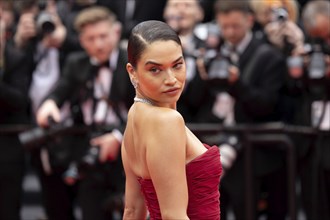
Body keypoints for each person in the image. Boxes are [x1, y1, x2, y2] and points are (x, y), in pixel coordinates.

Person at [36, 6, 134, 220]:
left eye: (103, 36)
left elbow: (147, 107)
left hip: (131, 151)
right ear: (81, 41)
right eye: (90, 38)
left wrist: (118, 136)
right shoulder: (76, 63)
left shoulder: (133, 63)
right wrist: (49, 104)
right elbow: (58, 93)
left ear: (116, 33)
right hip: (90, 151)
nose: (98, 44)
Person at [121, 20, 222, 220]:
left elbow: (132, 211)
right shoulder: (168, 121)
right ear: (133, 72)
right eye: (155, 70)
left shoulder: (134, 117)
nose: (171, 79)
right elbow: (173, 216)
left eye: (177, 65)